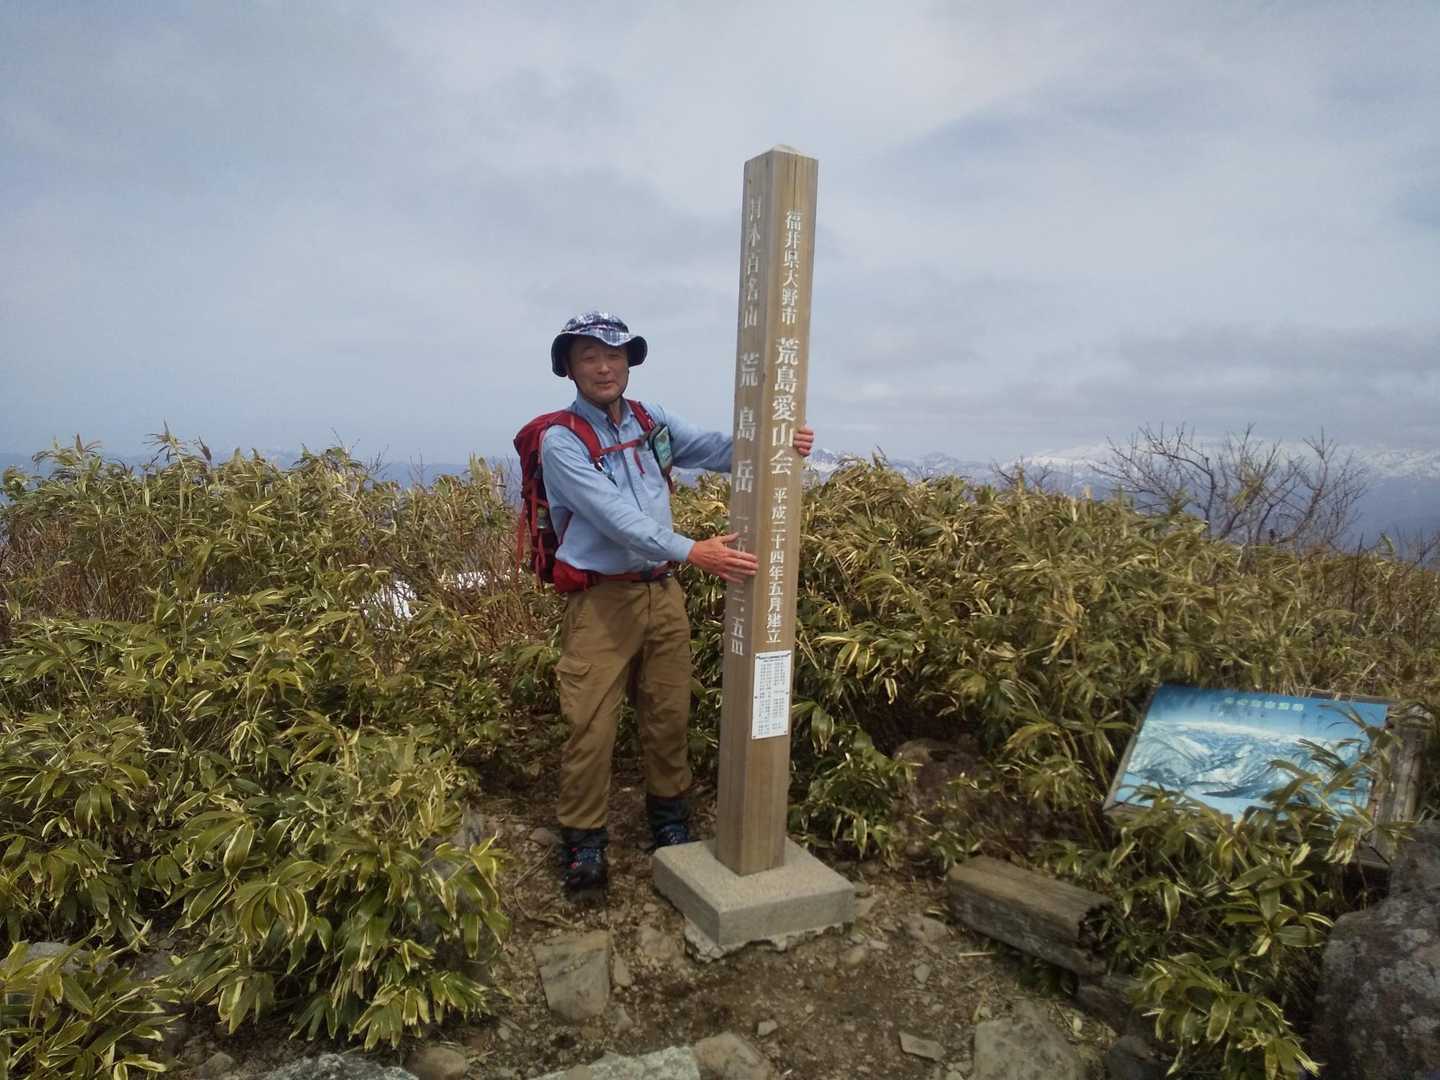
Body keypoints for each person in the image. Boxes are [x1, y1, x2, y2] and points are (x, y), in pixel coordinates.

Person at [540, 310, 813, 893]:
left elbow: (717, 450)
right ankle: (584, 842)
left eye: (614, 355)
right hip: (602, 602)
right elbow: (614, 518)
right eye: (589, 356)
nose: (604, 367)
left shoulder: (650, 420)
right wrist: (694, 551)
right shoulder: (560, 441)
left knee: (669, 714)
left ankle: (669, 821)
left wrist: (779, 442)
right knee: (590, 724)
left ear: (629, 363)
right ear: (569, 368)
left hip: (662, 592)